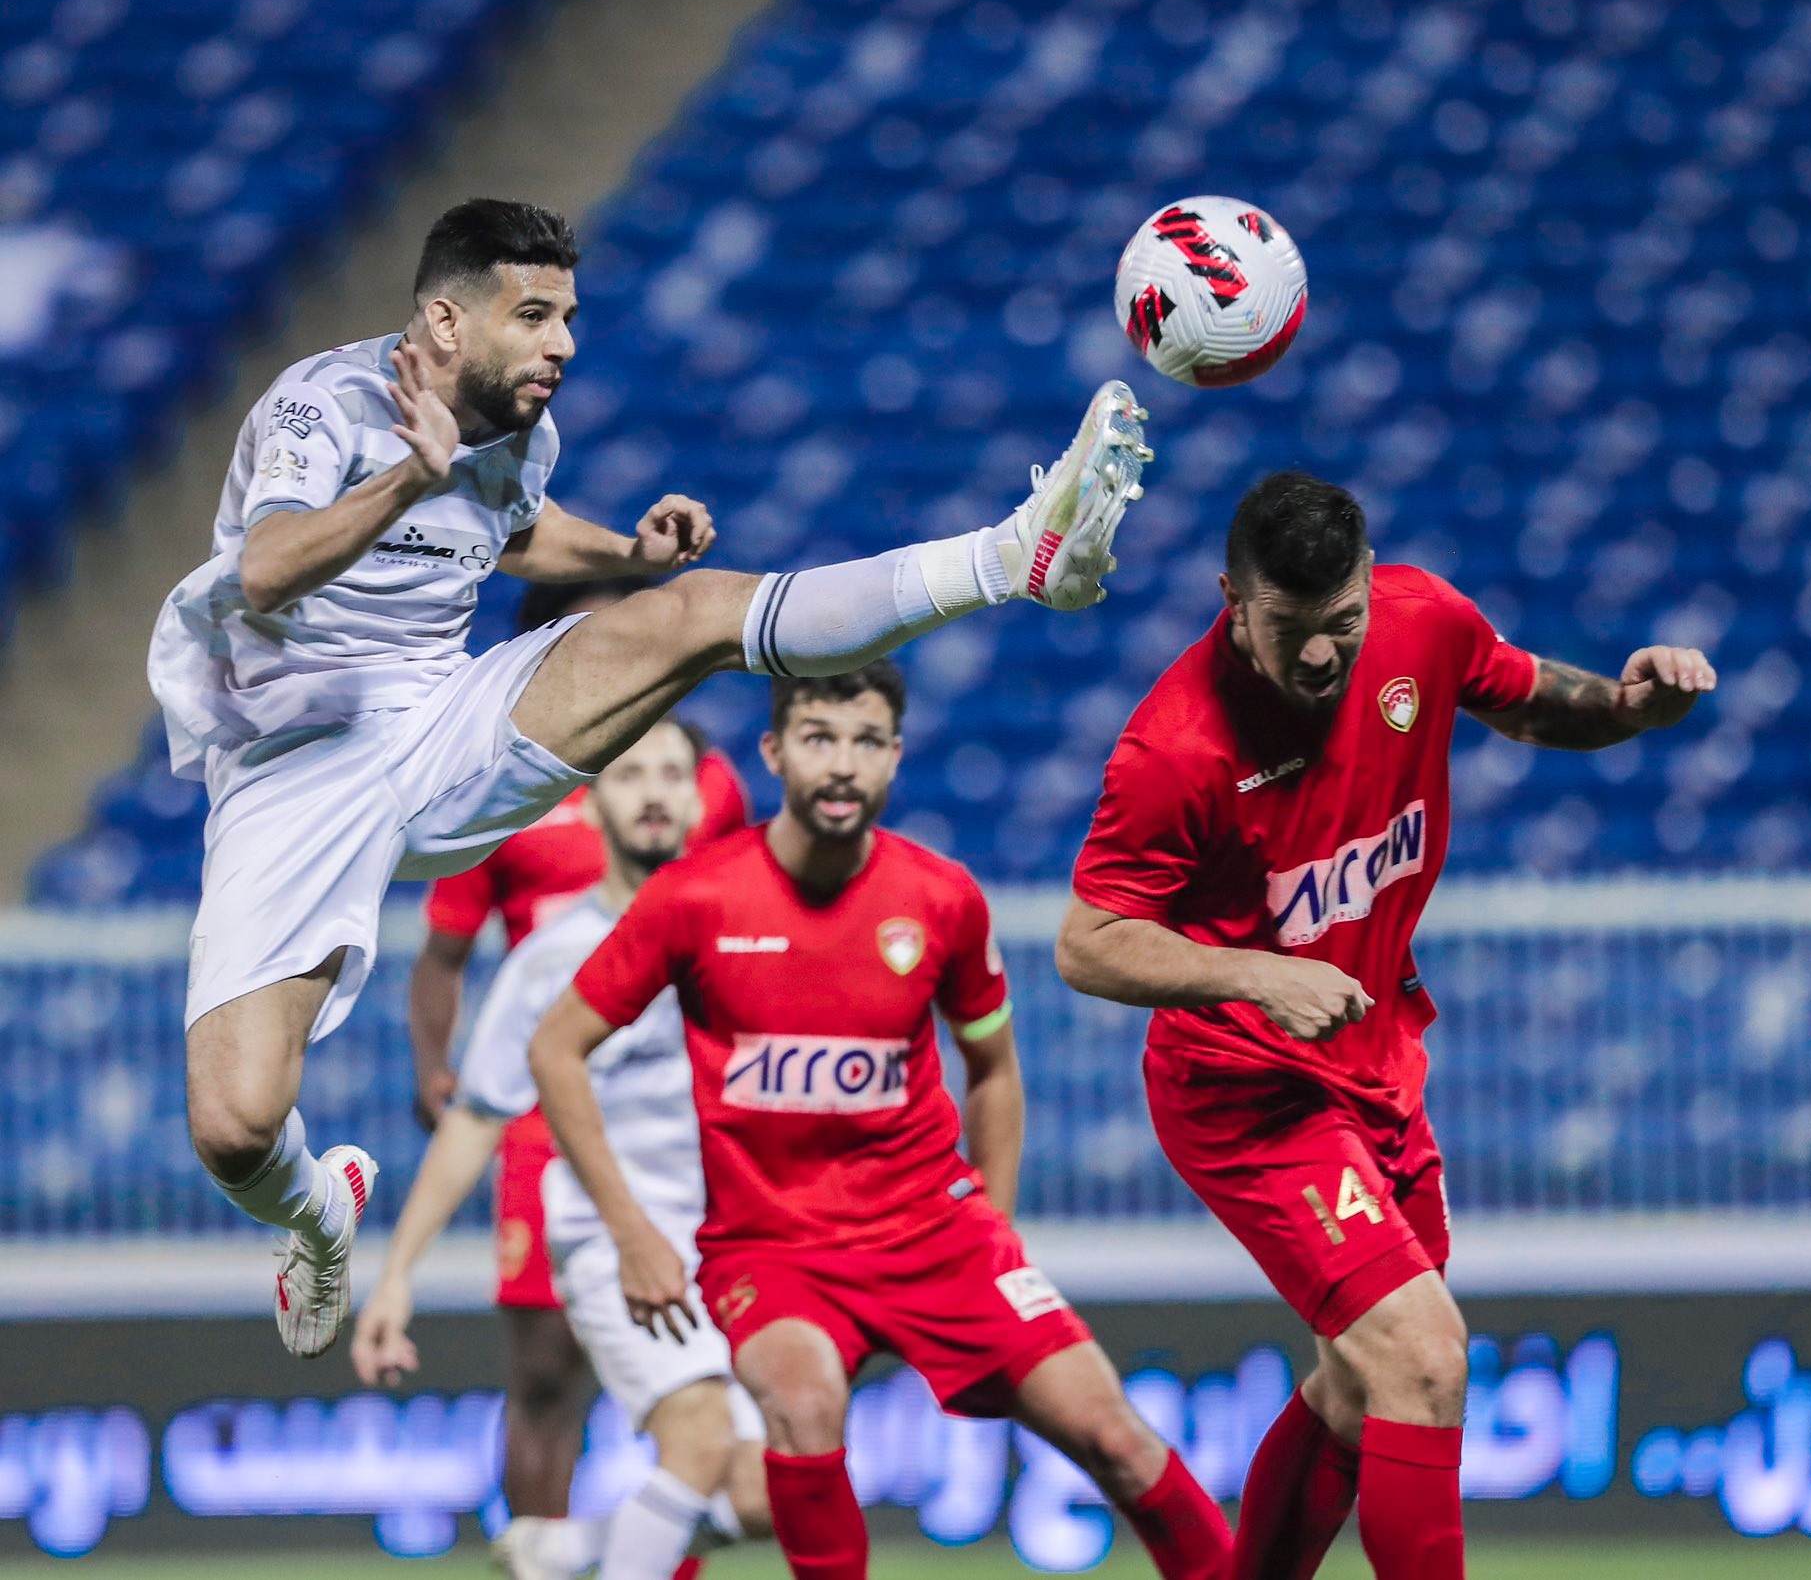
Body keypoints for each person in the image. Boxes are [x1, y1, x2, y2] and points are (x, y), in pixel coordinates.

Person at [147, 195, 1152, 1355]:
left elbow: (510, 533)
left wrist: (625, 556)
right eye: (532, 315)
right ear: (441, 319)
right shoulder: (321, 405)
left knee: (688, 616)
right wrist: (404, 482)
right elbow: (264, 568)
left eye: (569, 316)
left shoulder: (521, 426)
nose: (562, 343)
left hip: (437, 715)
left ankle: (1014, 552)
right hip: (292, 758)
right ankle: (319, 1214)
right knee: (233, 1126)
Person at [1055, 472, 1718, 1580]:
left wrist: (1627, 706)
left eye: (1342, 624)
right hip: (1245, 1090)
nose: (1321, 657)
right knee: (1421, 1356)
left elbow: (1525, 699)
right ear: (1230, 597)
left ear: (1370, 582)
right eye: (1289, 630)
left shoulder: (1423, 619)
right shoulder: (1174, 747)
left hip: (1376, 1067)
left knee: (1360, 1389)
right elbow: (1087, 940)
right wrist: (1251, 974)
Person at [528, 662, 1232, 1580]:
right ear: (776, 752)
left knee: (1119, 1440)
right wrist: (632, 1236)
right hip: (771, 1248)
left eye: (866, 743)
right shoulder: (696, 899)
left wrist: (995, 1230)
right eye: (820, 739)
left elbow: (993, 1071)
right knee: (804, 1404)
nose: (843, 765)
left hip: (936, 1233)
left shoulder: (940, 899)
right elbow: (555, 1049)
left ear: (895, 759)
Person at [353, 717, 770, 1580]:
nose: (653, 791)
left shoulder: (743, 940)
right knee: (695, 1438)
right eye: (629, 775)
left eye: (670, 774)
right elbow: (476, 1118)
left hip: (732, 1244)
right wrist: (396, 1277)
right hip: (614, 1247)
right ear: (591, 808)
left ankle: (570, 1550)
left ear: (702, 799)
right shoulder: (551, 962)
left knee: (772, 1493)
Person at [406, 576, 750, 1528]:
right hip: (542, 1108)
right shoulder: (499, 784)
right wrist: (437, 1069)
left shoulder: (699, 778)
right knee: (548, 1371)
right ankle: (540, 1551)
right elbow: (443, 955)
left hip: (672, 1115)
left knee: (694, 1357)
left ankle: (656, 1539)